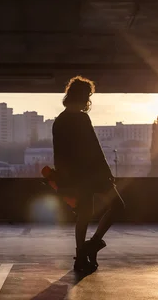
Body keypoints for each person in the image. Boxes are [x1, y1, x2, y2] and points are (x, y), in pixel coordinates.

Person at [52, 76, 125, 273]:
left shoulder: (60, 121)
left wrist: (63, 179)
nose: (88, 99)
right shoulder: (80, 118)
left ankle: (82, 253)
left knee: (84, 214)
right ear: (82, 96)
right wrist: (107, 174)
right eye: (87, 95)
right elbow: (95, 148)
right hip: (92, 174)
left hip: (77, 176)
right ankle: (90, 246)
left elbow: (59, 154)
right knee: (116, 207)